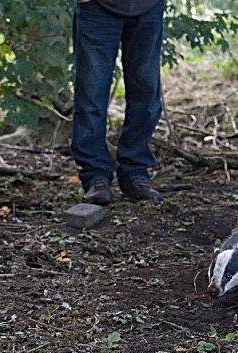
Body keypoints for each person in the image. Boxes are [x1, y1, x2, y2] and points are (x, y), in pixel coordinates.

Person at [71, 0, 164, 205]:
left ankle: (135, 172)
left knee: (146, 92)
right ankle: (96, 176)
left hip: (149, 6)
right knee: (91, 92)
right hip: (97, 7)